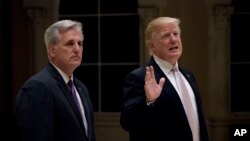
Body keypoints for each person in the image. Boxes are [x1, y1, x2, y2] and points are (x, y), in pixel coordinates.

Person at [120, 17, 209, 141]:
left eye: (176, 34)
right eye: (166, 35)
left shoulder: (189, 75)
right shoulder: (139, 77)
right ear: (152, 46)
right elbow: (127, 122)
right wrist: (149, 101)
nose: (173, 39)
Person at [16, 19, 96, 141]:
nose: (77, 49)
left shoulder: (81, 88)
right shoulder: (38, 87)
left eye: (80, 43)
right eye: (70, 43)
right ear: (52, 50)